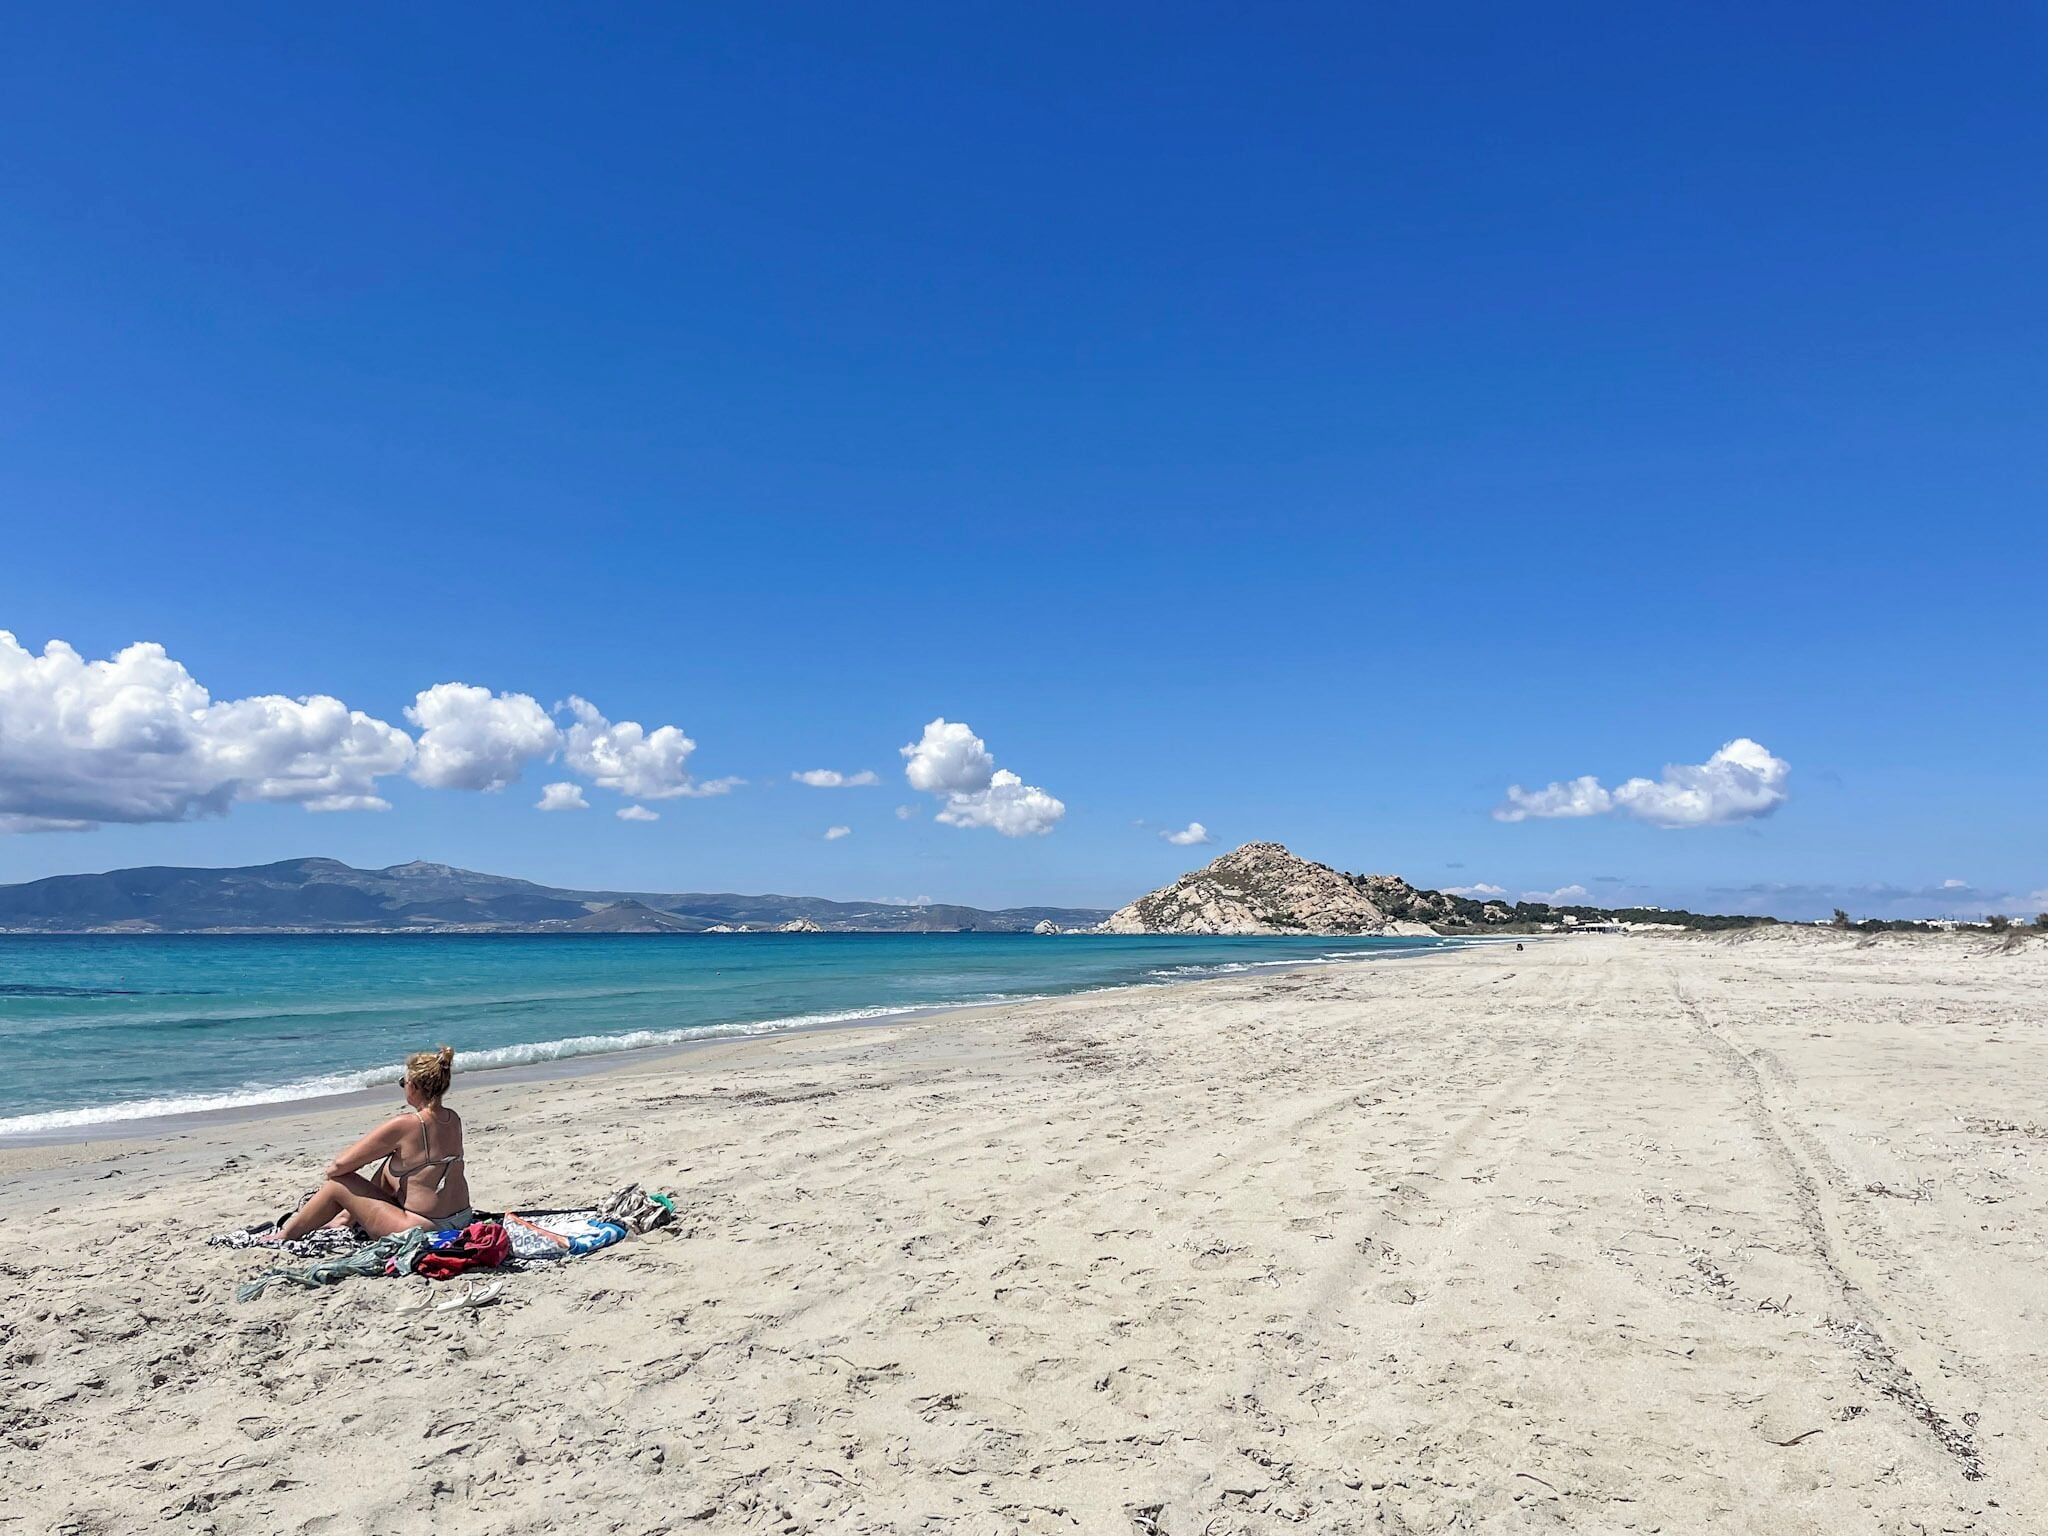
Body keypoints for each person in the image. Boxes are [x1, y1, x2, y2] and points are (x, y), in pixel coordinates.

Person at [274, 1045, 472, 1240]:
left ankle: (285, 1235)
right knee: (389, 1167)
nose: (404, 1086)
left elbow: (338, 1167)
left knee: (337, 1184)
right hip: (461, 1217)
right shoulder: (451, 1118)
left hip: (424, 1226)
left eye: (404, 1082)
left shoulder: (407, 1124)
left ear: (413, 1086)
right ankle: (344, 1219)